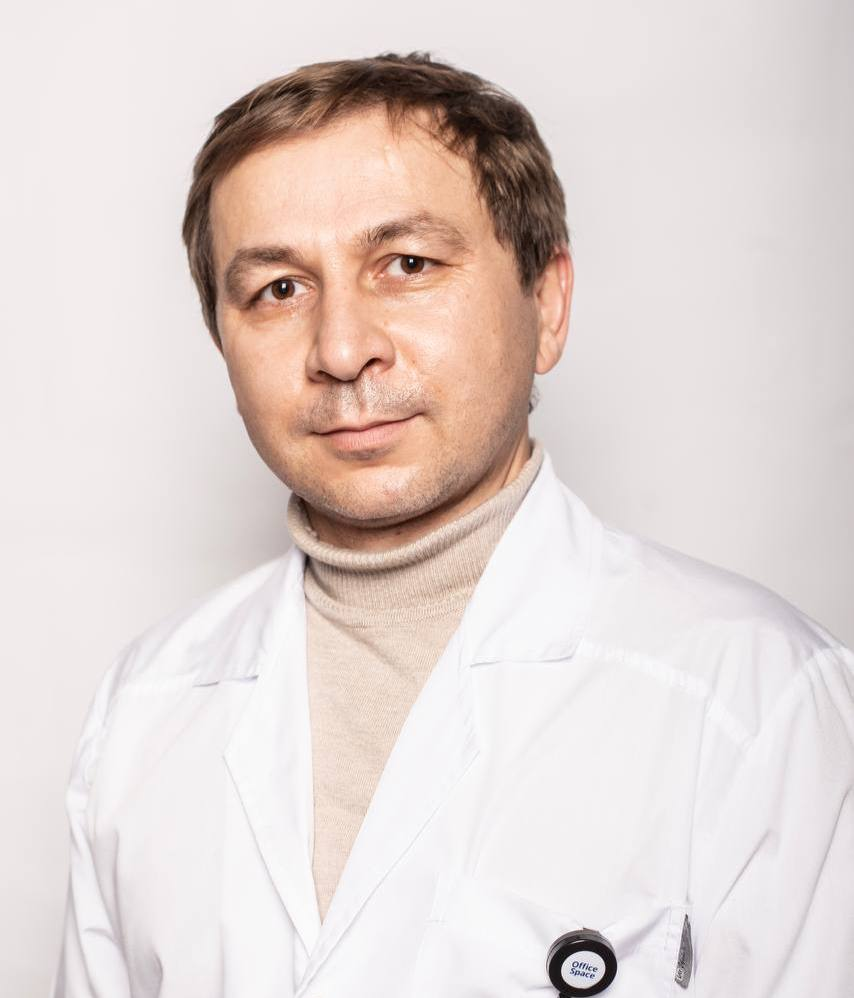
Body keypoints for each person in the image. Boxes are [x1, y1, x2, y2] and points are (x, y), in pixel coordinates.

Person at [51, 52, 853, 998]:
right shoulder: (146, 705)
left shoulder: (759, 700)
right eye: (279, 289)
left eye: (408, 265)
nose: (341, 349)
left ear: (546, 303)